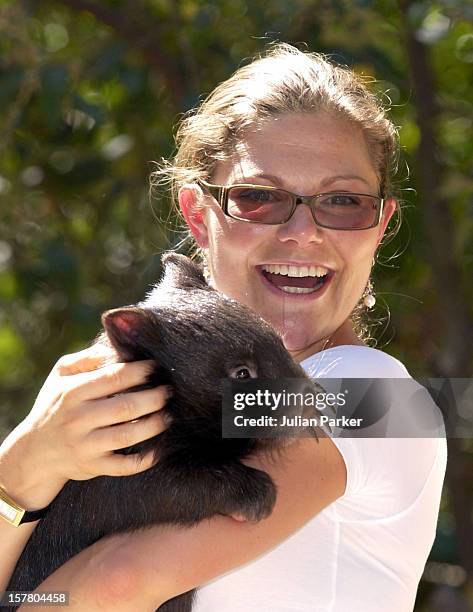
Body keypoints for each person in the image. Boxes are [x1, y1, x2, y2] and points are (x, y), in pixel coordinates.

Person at [0, 44, 447, 611]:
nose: (303, 232)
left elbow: (115, 583)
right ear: (196, 214)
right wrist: (20, 470)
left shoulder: (380, 396)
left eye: (342, 201)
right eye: (258, 197)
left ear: (379, 226)